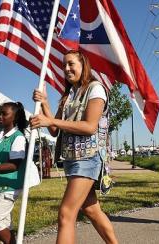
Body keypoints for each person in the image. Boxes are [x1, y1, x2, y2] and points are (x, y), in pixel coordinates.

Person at [30, 50, 118, 244]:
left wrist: (50, 120)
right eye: (64, 65)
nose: (66, 69)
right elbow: (54, 130)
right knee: (91, 209)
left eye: (71, 64)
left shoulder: (95, 89)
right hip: (72, 160)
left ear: (83, 65)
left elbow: (89, 127)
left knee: (66, 213)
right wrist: (45, 103)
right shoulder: (68, 95)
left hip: (88, 158)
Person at [0, 102, 27, 244]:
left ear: (14, 117)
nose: (0, 116)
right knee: (5, 223)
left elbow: (14, 165)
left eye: (4, 114)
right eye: (0, 113)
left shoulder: (18, 137)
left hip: (9, 187)